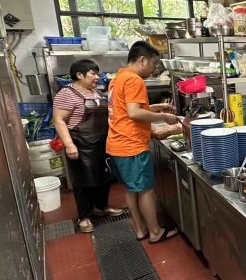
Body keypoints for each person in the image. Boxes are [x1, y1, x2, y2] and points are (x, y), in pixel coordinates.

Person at [107, 41, 179, 243]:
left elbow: (125, 108)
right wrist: (164, 117)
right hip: (132, 145)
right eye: (154, 63)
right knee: (146, 191)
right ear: (142, 60)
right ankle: (155, 232)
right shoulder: (134, 80)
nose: (154, 69)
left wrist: (155, 107)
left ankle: (140, 229)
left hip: (117, 144)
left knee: (132, 190)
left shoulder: (118, 78)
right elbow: (134, 113)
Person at [52, 59, 124, 233]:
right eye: (93, 74)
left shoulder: (95, 92)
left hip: (102, 142)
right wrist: (69, 145)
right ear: (79, 75)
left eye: (97, 74)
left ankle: (101, 207)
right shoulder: (67, 93)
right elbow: (59, 120)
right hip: (81, 144)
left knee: (104, 177)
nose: (97, 77)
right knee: (83, 182)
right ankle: (84, 217)